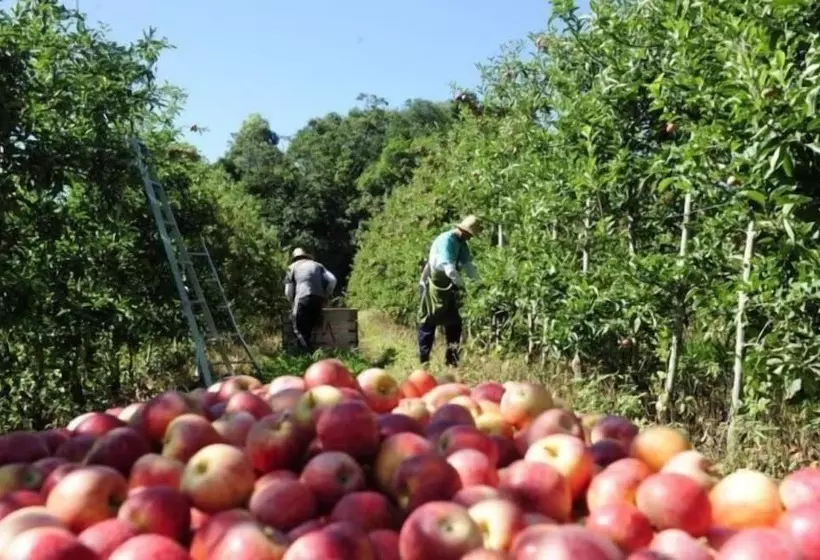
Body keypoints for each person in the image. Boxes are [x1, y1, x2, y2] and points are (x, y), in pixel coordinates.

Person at [417, 215, 481, 367]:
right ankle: (424, 361)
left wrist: (479, 283)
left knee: (454, 323)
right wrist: (463, 286)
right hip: (438, 285)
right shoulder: (447, 240)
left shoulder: (462, 244)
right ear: (463, 231)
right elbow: (449, 270)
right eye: (470, 235)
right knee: (429, 321)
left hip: (451, 285)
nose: (470, 238)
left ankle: (452, 361)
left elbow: (469, 266)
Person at [284, 248, 337, 353]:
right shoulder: (317, 265)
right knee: (310, 327)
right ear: (306, 256)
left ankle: (307, 355)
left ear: (294, 258)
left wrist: (292, 302)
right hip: (318, 299)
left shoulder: (291, 268)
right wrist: (326, 294)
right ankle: (313, 354)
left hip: (302, 298)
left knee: (298, 329)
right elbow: (332, 280)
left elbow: (288, 292)